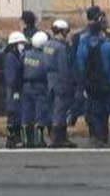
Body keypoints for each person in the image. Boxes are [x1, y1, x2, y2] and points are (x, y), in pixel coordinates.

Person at [77, 18, 110, 147]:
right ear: (101, 32)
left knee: (96, 112)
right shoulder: (109, 46)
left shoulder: (83, 46)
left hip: (91, 85)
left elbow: (80, 66)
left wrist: (83, 84)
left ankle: (98, 138)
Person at [68, 6, 103, 129]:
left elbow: (73, 58)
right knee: (92, 102)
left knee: (81, 98)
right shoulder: (99, 36)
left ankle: (73, 115)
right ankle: (74, 115)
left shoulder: (77, 36)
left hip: (80, 73)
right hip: (92, 75)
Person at [43, 19, 76, 148]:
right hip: (60, 80)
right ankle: (58, 138)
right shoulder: (61, 47)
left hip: (49, 79)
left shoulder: (47, 45)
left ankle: (56, 136)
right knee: (60, 109)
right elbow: (63, 68)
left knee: (53, 108)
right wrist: (68, 83)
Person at [22, 31, 51, 148]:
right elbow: (46, 72)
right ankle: (39, 140)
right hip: (40, 86)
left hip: (25, 86)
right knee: (40, 112)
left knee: (27, 112)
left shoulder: (25, 54)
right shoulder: (45, 57)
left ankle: (26, 140)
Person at [3, 31, 27, 149]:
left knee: (17, 114)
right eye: (21, 43)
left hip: (16, 89)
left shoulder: (16, 56)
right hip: (14, 90)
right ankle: (12, 139)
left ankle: (15, 138)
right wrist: (16, 91)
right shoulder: (11, 57)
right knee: (13, 114)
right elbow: (12, 76)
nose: (23, 45)